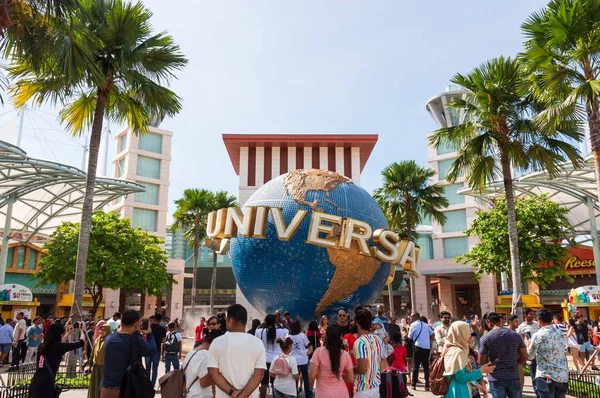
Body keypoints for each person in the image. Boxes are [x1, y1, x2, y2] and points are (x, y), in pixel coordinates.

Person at [207, 304, 267, 398]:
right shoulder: (258, 343)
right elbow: (259, 375)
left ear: (230, 321)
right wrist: (243, 395)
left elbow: (213, 373)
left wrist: (232, 393)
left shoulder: (217, 343)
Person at [100, 310, 156, 397]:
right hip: (127, 390)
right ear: (137, 324)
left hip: (107, 389)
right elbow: (152, 350)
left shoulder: (109, 338)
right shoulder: (135, 340)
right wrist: (149, 334)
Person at [27, 322, 86, 398]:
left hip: (35, 384)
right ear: (60, 335)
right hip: (46, 386)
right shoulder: (58, 347)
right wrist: (82, 330)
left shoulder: (42, 346)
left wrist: (68, 333)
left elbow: (60, 344)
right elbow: (81, 343)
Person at [443, 321, 495, 398]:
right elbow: (461, 377)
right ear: (461, 333)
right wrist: (481, 371)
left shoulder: (449, 348)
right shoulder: (458, 352)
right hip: (459, 392)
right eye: (467, 332)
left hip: (451, 390)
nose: (469, 336)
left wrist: (476, 384)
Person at [480, 312, 526, 398]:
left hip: (496, 377)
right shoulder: (515, 335)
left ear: (489, 322)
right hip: (513, 375)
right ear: (500, 321)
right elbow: (524, 356)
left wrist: (490, 367)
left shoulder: (486, 338)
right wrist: (515, 362)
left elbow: (482, 361)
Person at [527, 308, 568, 398]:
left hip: (545, 376)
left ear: (540, 320)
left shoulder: (538, 335)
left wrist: (528, 344)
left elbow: (530, 356)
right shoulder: (560, 332)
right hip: (562, 375)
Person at [310, 324, 354, 398]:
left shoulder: (318, 352)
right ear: (340, 337)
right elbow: (350, 379)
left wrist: (322, 374)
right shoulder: (345, 355)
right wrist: (341, 375)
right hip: (341, 394)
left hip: (323, 394)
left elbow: (312, 376)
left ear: (326, 336)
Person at [182, 329, 223, 398]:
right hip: (199, 395)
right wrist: (219, 375)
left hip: (190, 394)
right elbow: (204, 383)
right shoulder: (206, 356)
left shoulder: (193, 351)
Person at [256, 314, 289, 398]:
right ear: (275, 322)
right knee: (275, 383)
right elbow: (290, 331)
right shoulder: (282, 331)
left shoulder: (261, 331)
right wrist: (282, 321)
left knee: (264, 382)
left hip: (264, 359)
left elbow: (256, 329)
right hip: (277, 360)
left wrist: (265, 321)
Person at [354, 306, 382, 398]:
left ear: (357, 324)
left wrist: (348, 369)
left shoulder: (360, 342)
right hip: (376, 388)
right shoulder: (377, 339)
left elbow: (362, 369)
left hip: (363, 389)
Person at [408, 312, 434, 391]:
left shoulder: (413, 325)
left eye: (412, 316)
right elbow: (432, 334)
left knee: (416, 366)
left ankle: (413, 384)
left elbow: (409, 337)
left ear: (417, 316)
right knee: (426, 366)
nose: (411, 318)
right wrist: (428, 342)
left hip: (418, 347)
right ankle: (427, 386)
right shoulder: (426, 325)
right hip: (426, 348)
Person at [287, 320, 312, 398]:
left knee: (295, 377)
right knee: (305, 378)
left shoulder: (289, 336)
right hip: (303, 359)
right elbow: (307, 344)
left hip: (293, 359)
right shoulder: (302, 335)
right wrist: (309, 351)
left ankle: (295, 393)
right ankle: (307, 394)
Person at [517, 308, 541, 390]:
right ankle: (537, 390)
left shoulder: (537, 325)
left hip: (540, 353)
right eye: (530, 314)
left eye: (532, 314)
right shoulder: (521, 327)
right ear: (525, 315)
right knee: (533, 374)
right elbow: (519, 340)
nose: (532, 316)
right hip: (530, 354)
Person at [87, 324, 112, 398]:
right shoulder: (97, 340)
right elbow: (93, 353)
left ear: (107, 331)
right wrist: (90, 364)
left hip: (105, 367)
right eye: (101, 330)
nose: (101, 331)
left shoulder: (109, 341)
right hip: (96, 367)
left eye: (104, 330)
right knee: (95, 385)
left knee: (103, 387)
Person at [145, 314, 166, 387]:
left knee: (147, 367)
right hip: (157, 350)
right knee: (155, 368)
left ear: (154, 319)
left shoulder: (149, 327)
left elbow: (145, 336)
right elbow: (163, 340)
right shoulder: (163, 329)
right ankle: (152, 384)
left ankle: (146, 384)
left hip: (148, 349)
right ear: (160, 320)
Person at [343, 322, 359, 396]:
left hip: (357, 363)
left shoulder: (360, 337)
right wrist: (345, 343)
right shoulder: (348, 336)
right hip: (348, 363)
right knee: (348, 387)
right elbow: (345, 341)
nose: (355, 336)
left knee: (354, 387)